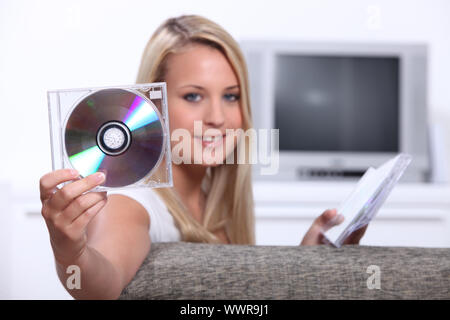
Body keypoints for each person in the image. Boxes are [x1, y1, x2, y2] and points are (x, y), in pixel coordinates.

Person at [39, 15, 367, 300]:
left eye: (231, 96)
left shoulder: (217, 206)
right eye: (193, 96)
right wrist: (72, 251)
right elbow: (101, 286)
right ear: (155, 108)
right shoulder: (134, 203)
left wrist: (307, 261)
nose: (217, 117)